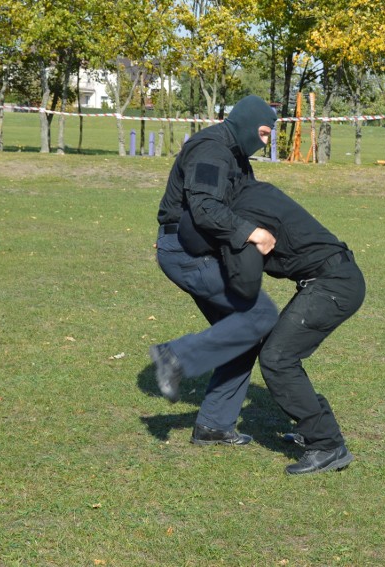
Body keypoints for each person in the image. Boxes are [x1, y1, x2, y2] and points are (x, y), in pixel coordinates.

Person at [179, 180, 366, 475]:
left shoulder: (245, 220)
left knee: (277, 358)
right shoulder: (252, 192)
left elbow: (246, 285)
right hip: (332, 278)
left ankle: (327, 445)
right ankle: (314, 429)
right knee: (279, 353)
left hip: (333, 285)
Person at [149, 95, 279, 446]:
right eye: (264, 134)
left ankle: (213, 426)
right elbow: (204, 208)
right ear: (248, 124)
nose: (265, 144)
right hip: (184, 252)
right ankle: (174, 357)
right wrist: (252, 234)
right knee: (260, 313)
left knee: (243, 332)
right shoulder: (211, 149)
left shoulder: (235, 154)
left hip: (202, 250)